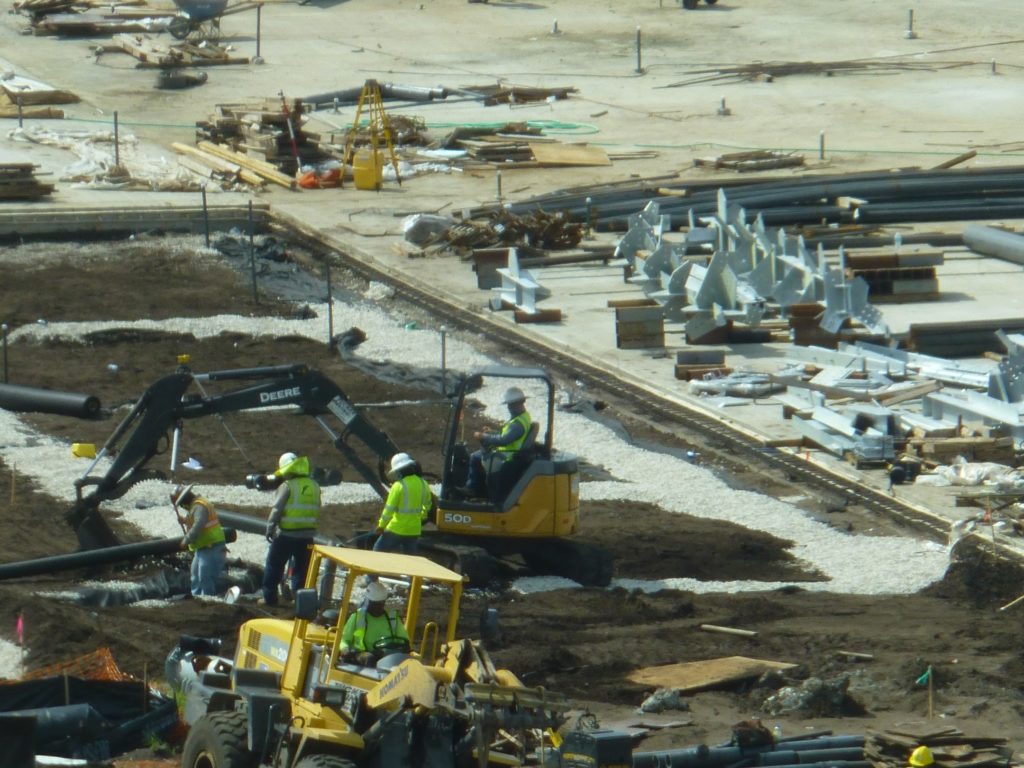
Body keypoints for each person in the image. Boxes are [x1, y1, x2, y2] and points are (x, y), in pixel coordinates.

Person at [262, 452, 321, 606]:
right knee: (303, 570)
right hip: (307, 535)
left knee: (274, 565)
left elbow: (277, 509)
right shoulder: (314, 485)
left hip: (287, 535)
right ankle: (300, 601)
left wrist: (270, 528)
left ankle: (270, 599)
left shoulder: (287, 486)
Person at [461, 386, 533, 498]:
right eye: (509, 405)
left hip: (508, 456)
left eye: (512, 405)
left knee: (475, 457)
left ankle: (472, 489)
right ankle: (479, 489)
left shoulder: (517, 423)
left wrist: (483, 436)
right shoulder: (523, 417)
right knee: (477, 456)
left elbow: (503, 440)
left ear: (521, 403)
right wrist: (492, 432)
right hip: (511, 452)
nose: (510, 407)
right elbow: (508, 435)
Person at [171, 483, 226, 598]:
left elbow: (198, 525)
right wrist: (185, 520)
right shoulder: (195, 506)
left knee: (205, 576)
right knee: (195, 575)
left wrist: (186, 540)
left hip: (212, 545)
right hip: (203, 547)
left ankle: (208, 599)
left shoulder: (199, 506)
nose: (182, 506)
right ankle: (197, 597)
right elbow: (195, 520)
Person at [373, 452, 434, 555]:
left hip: (396, 529)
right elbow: (427, 505)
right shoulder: (424, 484)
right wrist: (420, 518)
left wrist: (381, 526)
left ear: (399, 470)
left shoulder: (398, 486)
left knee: (378, 551)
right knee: (410, 559)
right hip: (414, 530)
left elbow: (388, 509)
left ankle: (373, 572)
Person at [340, 581, 410, 666]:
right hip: (363, 655)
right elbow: (344, 639)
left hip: (387, 656)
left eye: (380, 604)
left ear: (384, 602)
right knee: (370, 659)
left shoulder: (393, 617)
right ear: (368, 601)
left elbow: (403, 640)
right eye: (374, 604)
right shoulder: (357, 617)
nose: (377, 607)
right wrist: (345, 649)